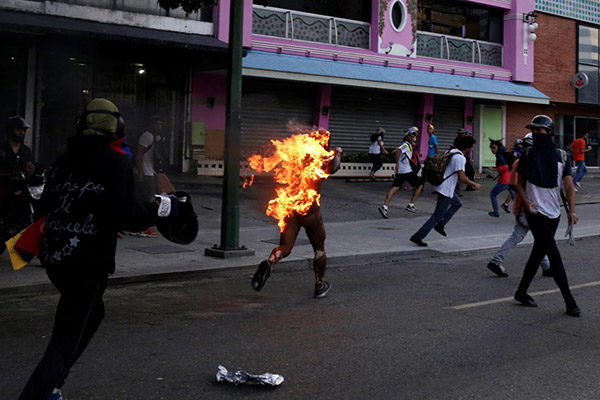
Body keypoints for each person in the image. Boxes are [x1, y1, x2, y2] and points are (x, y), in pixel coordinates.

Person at [18, 99, 183, 400]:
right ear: (116, 127)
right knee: (66, 337)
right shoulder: (115, 161)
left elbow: (46, 205)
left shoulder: (64, 158)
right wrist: (157, 209)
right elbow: (125, 215)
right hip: (87, 262)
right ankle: (41, 391)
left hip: (55, 257)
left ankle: (53, 385)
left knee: (91, 315)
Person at [251, 137, 343, 299]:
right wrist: (339, 153)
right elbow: (334, 167)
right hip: (310, 213)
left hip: (290, 210)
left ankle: (270, 262)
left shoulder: (293, 160)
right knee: (319, 248)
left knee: (285, 247)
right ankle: (319, 285)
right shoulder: (318, 163)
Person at [513, 115, 580, 317]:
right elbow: (519, 183)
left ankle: (521, 292)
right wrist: (525, 203)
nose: (535, 134)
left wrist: (572, 211)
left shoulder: (563, 156)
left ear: (549, 133)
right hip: (535, 213)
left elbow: (568, 186)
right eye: (533, 131)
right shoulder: (528, 154)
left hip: (554, 213)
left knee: (537, 254)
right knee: (554, 256)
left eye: (539, 131)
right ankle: (570, 301)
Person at [486, 133, 551, 277]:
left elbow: (513, 185)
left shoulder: (518, 162)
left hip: (522, 208)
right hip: (531, 208)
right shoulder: (532, 163)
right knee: (541, 238)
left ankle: (496, 260)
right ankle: (546, 267)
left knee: (519, 236)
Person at [410, 135, 481, 247]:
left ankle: (441, 224)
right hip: (446, 190)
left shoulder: (452, 151)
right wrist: (474, 184)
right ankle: (418, 236)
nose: (472, 150)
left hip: (444, 187)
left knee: (458, 203)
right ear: (467, 147)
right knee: (437, 215)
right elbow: (462, 178)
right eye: (471, 147)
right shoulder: (460, 158)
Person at [378, 127, 424, 217]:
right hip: (406, 171)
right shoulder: (406, 145)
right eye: (411, 136)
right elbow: (398, 151)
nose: (413, 138)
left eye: (413, 136)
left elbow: (396, 150)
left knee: (395, 188)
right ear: (407, 137)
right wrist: (397, 165)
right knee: (420, 186)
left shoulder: (406, 145)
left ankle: (385, 207)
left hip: (401, 172)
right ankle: (411, 205)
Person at [133, 115, 165, 237]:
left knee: (146, 200)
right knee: (147, 201)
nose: (159, 126)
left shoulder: (154, 137)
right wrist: (141, 172)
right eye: (157, 124)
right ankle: (142, 227)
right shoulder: (147, 136)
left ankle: (141, 226)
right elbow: (139, 155)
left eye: (161, 124)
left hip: (149, 172)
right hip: (144, 173)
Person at [488, 139, 515, 217]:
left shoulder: (499, 155)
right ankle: (522, 212)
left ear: (498, 147)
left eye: (494, 148)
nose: (492, 150)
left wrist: (494, 169)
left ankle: (496, 211)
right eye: (491, 148)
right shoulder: (503, 153)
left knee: (492, 194)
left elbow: (505, 167)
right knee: (514, 196)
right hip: (510, 178)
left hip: (504, 180)